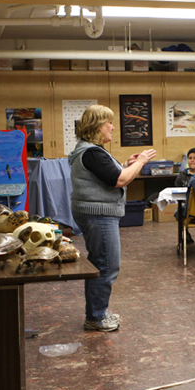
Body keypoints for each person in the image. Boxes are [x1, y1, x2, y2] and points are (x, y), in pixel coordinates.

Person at [68, 105, 157, 332]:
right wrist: (141, 162)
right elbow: (119, 180)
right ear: (98, 126)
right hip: (99, 215)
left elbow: (109, 175)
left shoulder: (91, 151)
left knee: (101, 263)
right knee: (106, 265)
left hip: (96, 213)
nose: (113, 127)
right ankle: (96, 317)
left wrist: (127, 164)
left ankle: (97, 312)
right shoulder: (92, 152)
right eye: (109, 123)